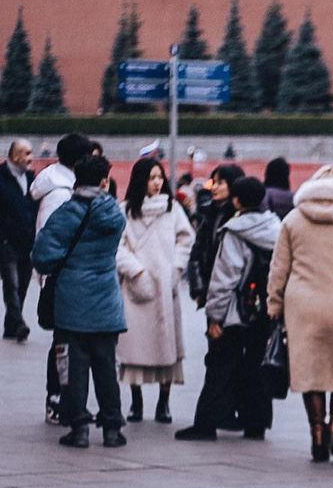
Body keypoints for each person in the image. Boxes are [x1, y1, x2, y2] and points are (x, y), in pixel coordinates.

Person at [266, 165, 333, 461]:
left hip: (302, 304)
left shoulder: (293, 218)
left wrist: (274, 304)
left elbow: (279, 268)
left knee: (309, 368)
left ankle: (317, 431)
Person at [31, 155, 128, 448]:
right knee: (106, 368)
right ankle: (112, 427)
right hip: (107, 303)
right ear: (104, 181)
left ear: (76, 181)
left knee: (71, 368)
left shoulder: (67, 213)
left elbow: (42, 257)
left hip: (72, 303)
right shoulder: (115, 214)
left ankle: (79, 427)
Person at [176, 177, 282, 442]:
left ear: (237, 201)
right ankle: (256, 423)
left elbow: (225, 278)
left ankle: (206, 423)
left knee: (219, 364)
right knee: (257, 363)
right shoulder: (276, 227)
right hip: (265, 309)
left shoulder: (234, 230)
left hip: (236, 310)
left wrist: (215, 316)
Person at [114, 158, 195, 425]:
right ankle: (136, 402)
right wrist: (134, 270)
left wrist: (176, 268)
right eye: (151, 177)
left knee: (166, 345)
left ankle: (164, 402)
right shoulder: (124, 211)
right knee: (134, 345)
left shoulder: (173, 210)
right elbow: (118, 246)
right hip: (137, 284)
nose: (157, 182)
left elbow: (186, 239)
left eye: (160, 177)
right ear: (140, 180)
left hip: (165, 285)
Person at [31, 132, 94, 423]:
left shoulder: (65, 187)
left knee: (69, 341)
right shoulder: (59, 194)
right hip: (62, 279)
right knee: (63, 342)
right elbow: (50, 241)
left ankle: (67, 399)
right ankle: (56, 399)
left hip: (70, 278)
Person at [188, 164, 243, 309]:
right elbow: (196, 253)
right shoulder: (209, 214)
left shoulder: (241, 217)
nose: (214, 188)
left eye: (220, 183)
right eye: (213, 182)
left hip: (236, 292)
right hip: (211, 290)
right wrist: (199, 289)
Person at [0, 139, 35, 341]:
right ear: (14, 156)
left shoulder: (31, 179)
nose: (30, 158)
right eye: (26, 153)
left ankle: (11, 326)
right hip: (6, 243)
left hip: (27, 242)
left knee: (22, 285)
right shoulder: (1, 178)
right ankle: (20, 322)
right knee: (11, 284)